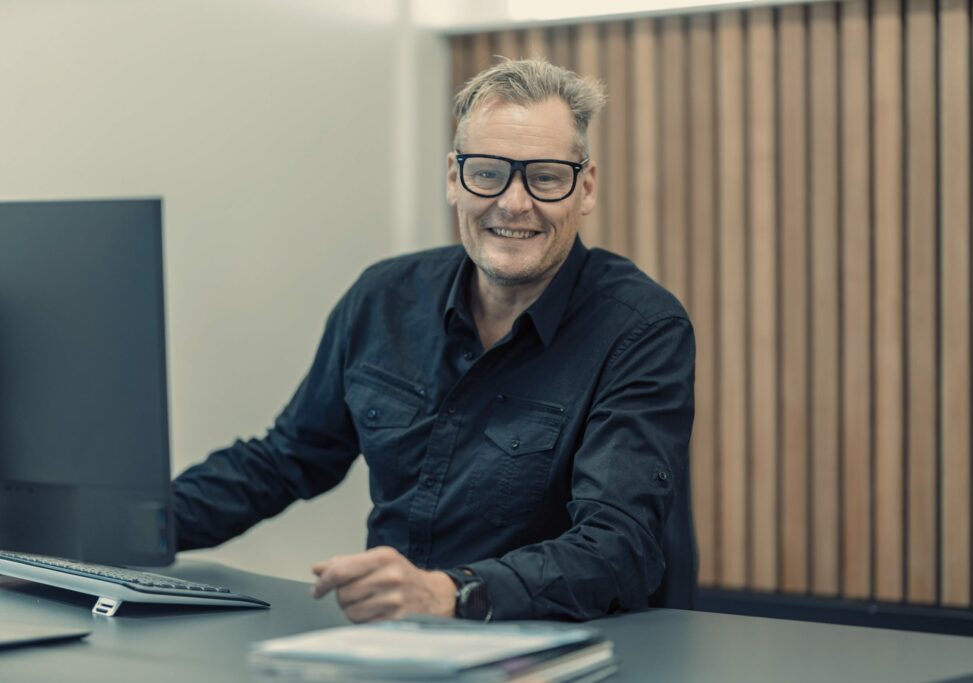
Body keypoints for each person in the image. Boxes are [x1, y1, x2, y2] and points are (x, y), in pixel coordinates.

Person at [172, 58, 696, 623]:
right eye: (488, 172)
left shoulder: (641, 329)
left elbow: (619, 547)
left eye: (545, 176)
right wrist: (122, 526)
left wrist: (452, 594)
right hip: (392, 647)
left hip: (560, 652)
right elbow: (284, 461)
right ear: (454, 178)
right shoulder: (383, 297)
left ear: (584, 188)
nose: (514, 203)